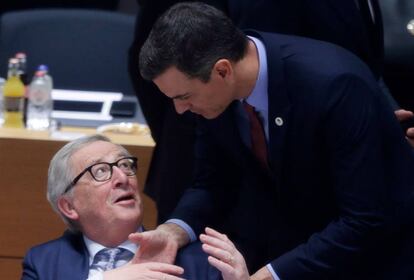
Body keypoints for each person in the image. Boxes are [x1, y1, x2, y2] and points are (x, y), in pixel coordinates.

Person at [135, 2, 414, 280]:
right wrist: (173, 231)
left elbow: (364, 219)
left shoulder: (334, 86)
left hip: (373, 263)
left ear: (223, 71)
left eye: (183, 97)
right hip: (289, 245)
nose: (180, 110)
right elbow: (213, 180)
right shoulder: (213, 94)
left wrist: (270, 275)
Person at [21, 134, 221, 280]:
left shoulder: (201, 260)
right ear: (69, 206)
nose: (122, 178)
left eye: (125, 165)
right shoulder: (43, 262)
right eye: (100, 171)